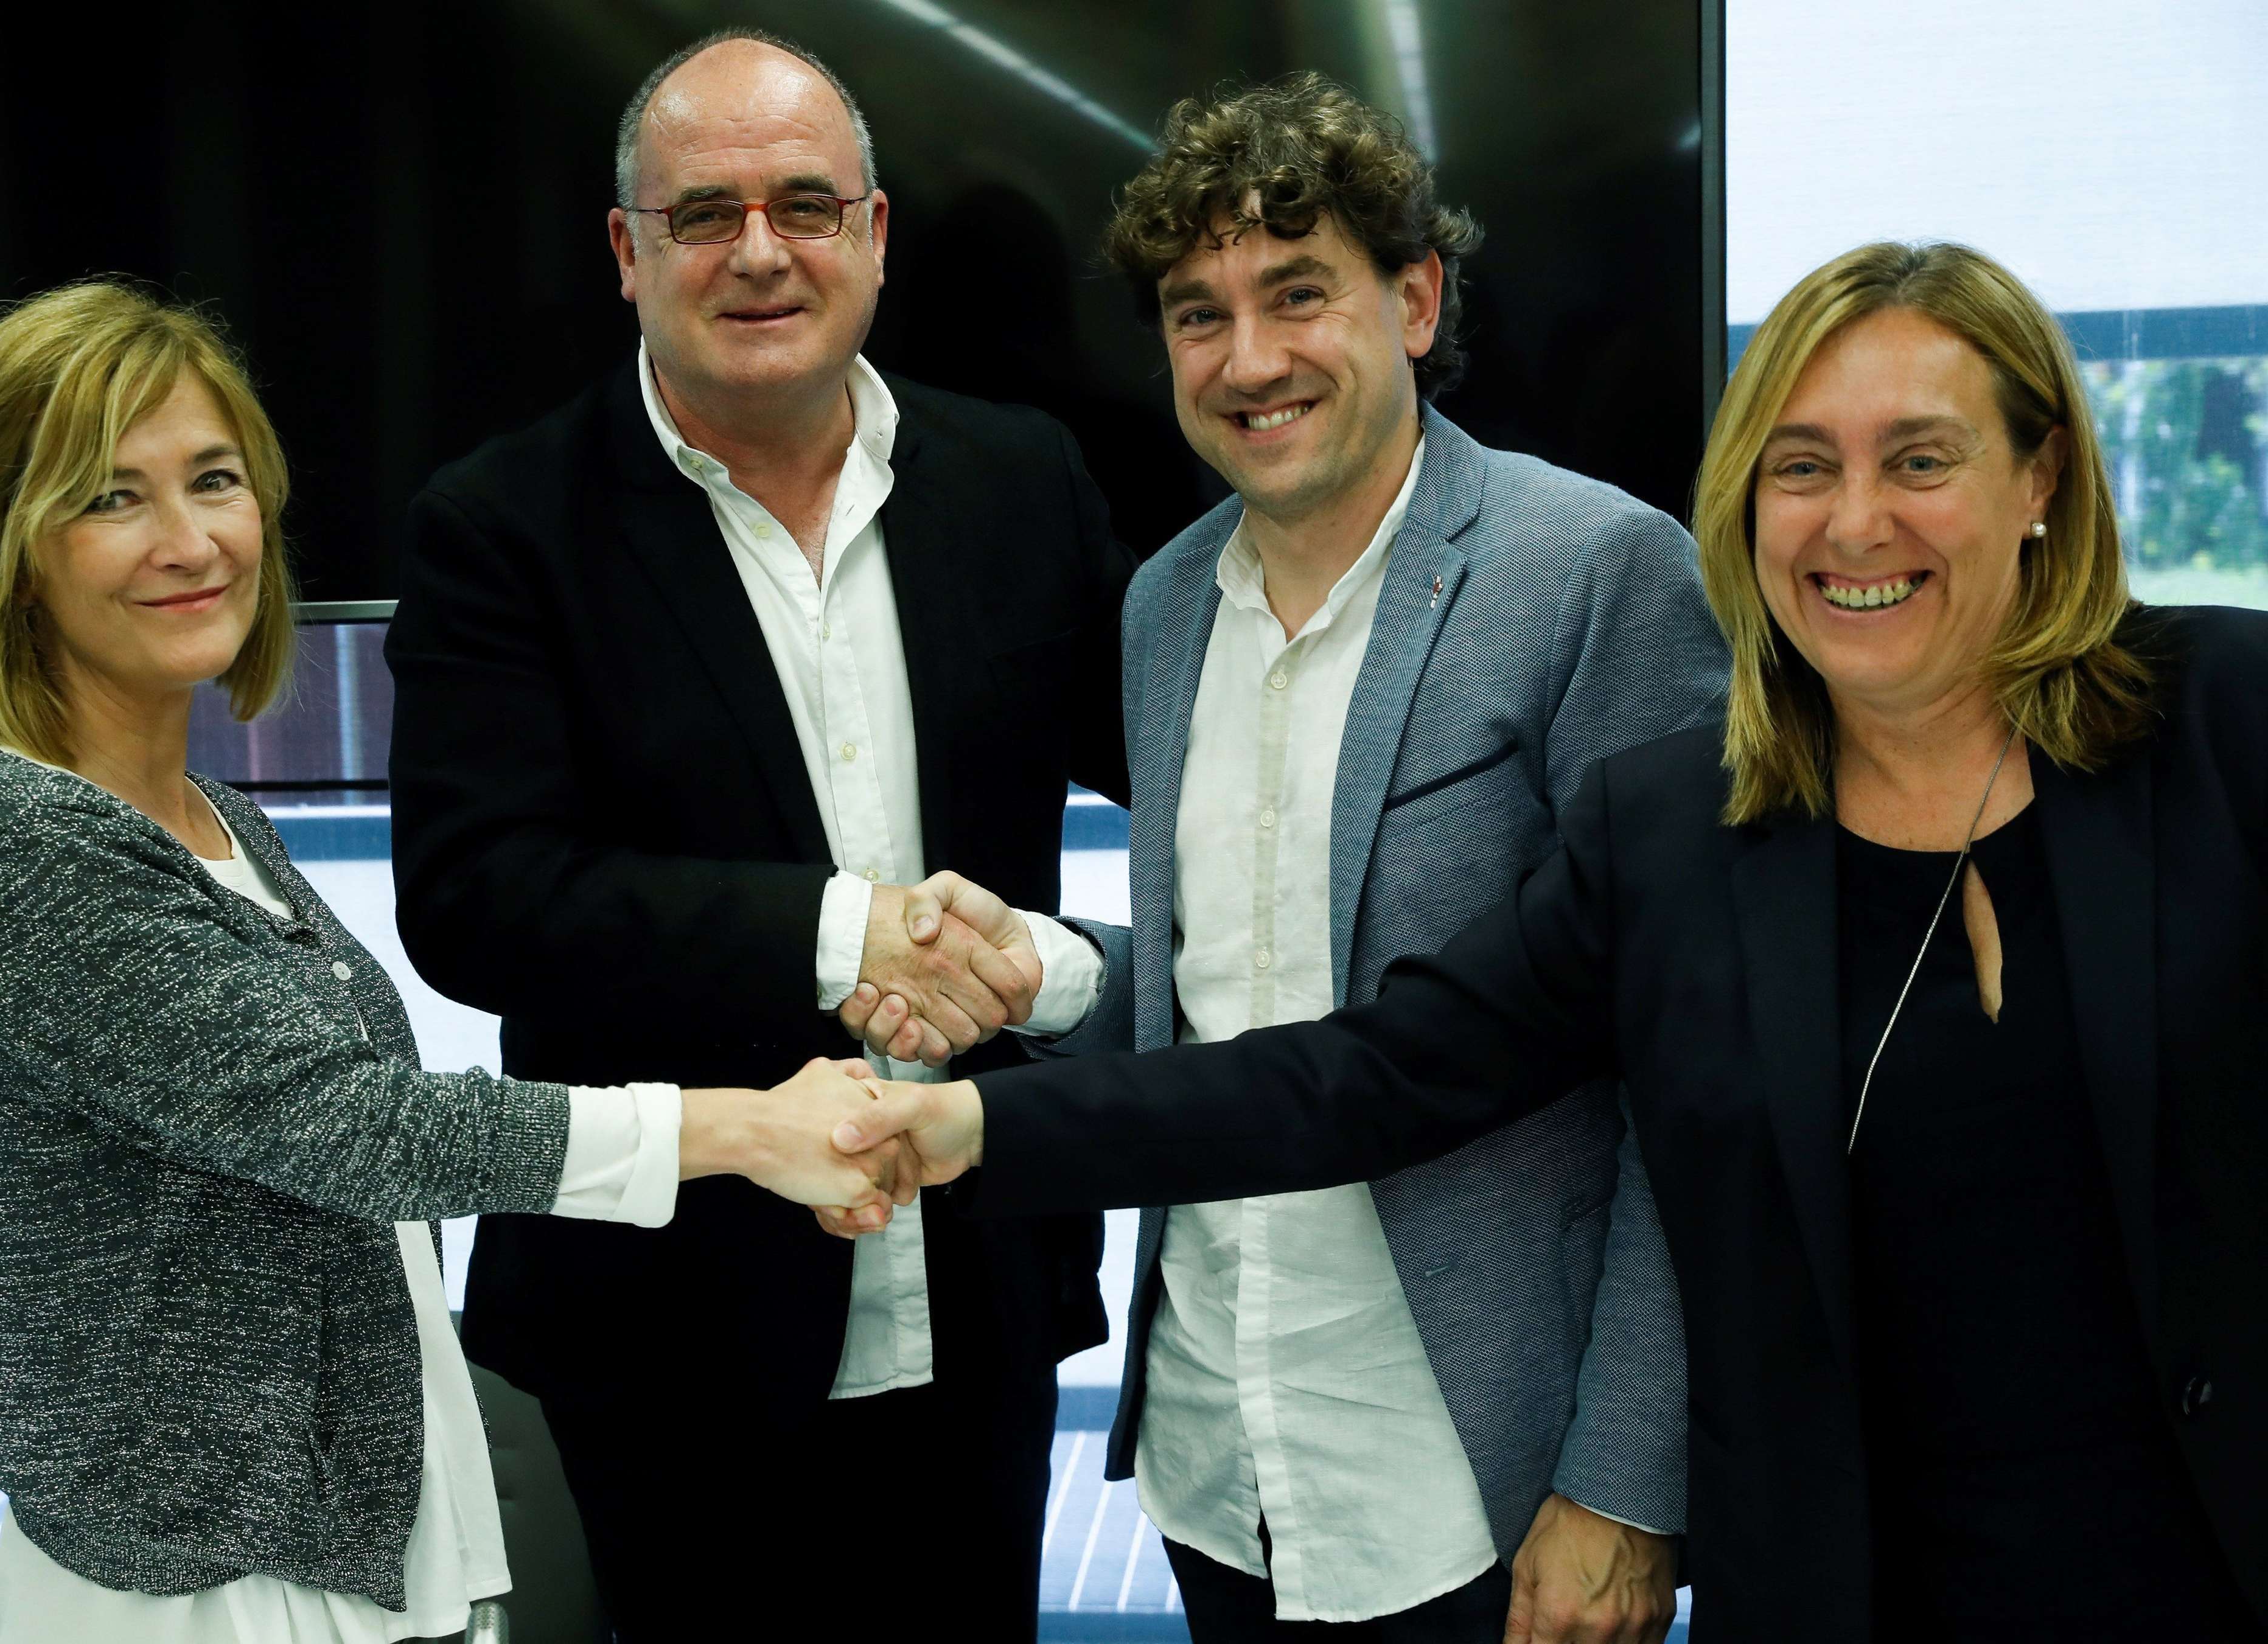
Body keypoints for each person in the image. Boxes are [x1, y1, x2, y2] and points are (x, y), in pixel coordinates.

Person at [836, 241, 2268, 1644]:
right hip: (1853, 1582)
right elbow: (1368, 1072)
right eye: (1799, 465)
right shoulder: (1678, 832)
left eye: (1918, 459)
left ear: (2039, 479)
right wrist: (964, 1126)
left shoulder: (2226, 729)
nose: (1850, 524)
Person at [0, 282, 895, 1644]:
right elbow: (356, 1129)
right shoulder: (19, 851)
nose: (190, 543)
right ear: (15, 549)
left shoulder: (214, 821)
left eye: (216, 480)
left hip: (342, 1545)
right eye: (110, 497)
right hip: (195, 1585)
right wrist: (750, 1131)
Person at [844, 74, 1711, 1644]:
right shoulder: (1164, 605)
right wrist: (1046, 975)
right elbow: (1238, 1000)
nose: (1248, 360)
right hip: (1216, 1446)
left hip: (1481, 1469)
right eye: (1197, 313)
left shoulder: (1599, 572)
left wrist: (1628, 1477)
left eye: (1297, 293)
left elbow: (1692, 1067)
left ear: (1420, 297)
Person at [380, 28, 1132, 1640]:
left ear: (871, 234)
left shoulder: (1021, 481)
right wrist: (840, 932)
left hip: (976, 1288)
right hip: (654, 1332)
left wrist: (1044, 966)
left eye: (804, 203)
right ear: (626, 254)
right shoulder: (502, 526)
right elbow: (477, 896)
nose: (760, 251)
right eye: (704, 213)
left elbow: (1189, 777)